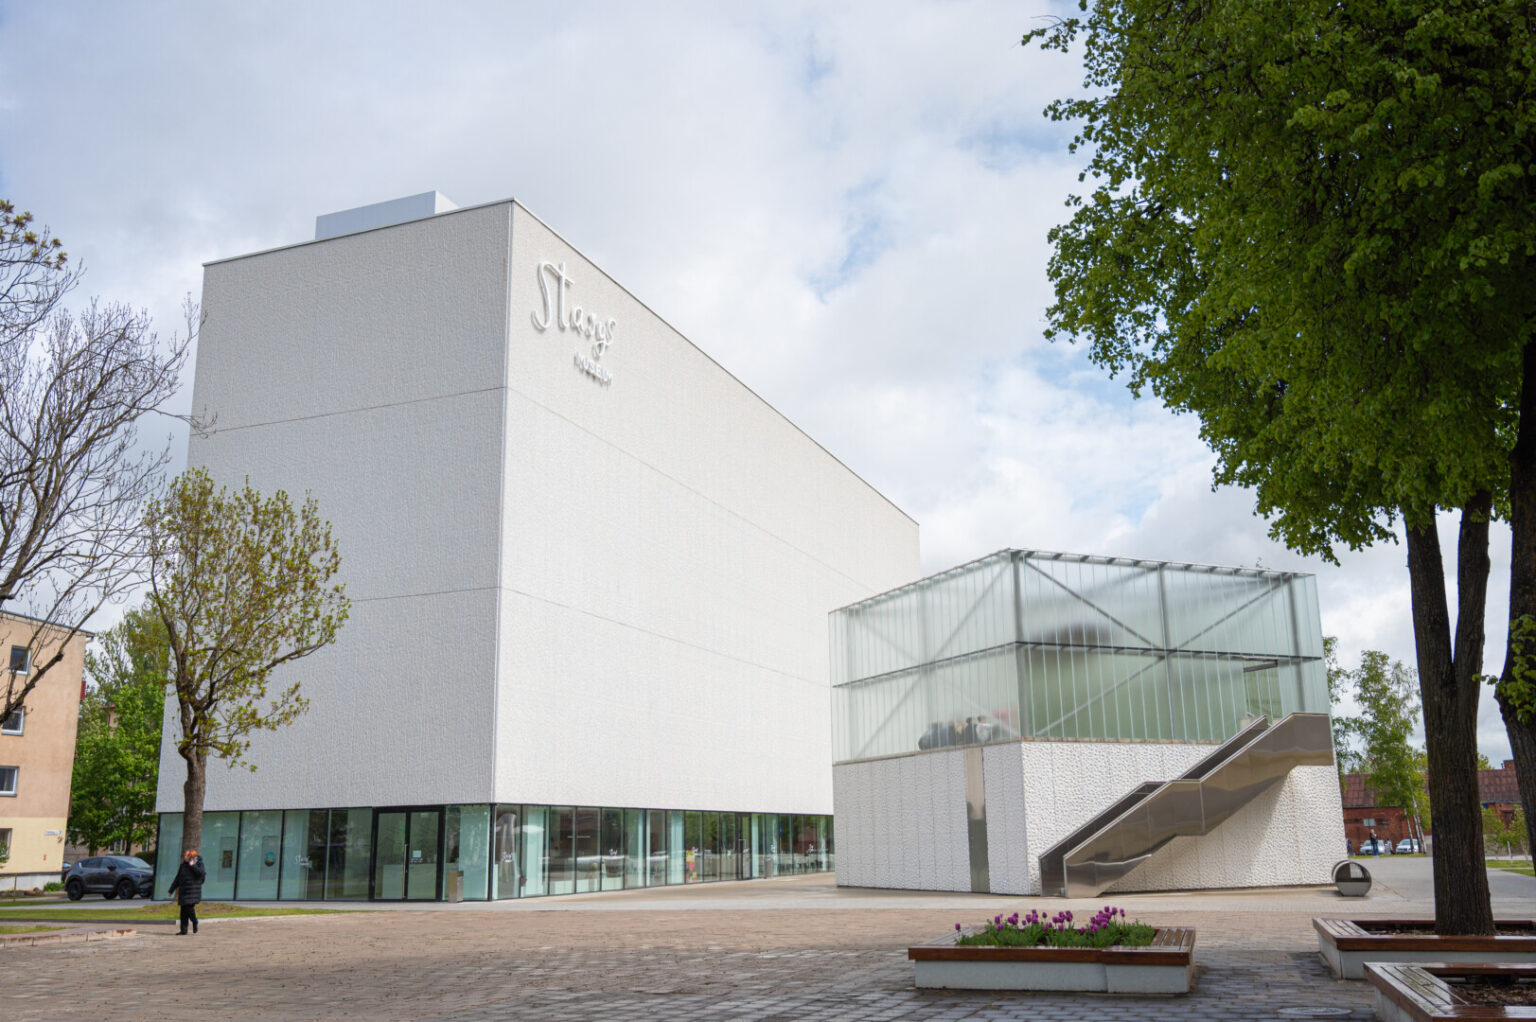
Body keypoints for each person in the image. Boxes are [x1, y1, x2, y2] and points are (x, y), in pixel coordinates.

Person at [167, 848, 206, 935]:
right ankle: (183, 930)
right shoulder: (183, 865)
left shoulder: (198, 863)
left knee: (188, 908)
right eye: (184, 855)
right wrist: (171, 890)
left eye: (186, 855)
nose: (184, 856)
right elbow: (178, 878)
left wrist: (193, 866)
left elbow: (201, 873)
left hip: (193, 891)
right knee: (183, 911)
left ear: (191, 856)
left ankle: (194, 921)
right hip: (184, 891)